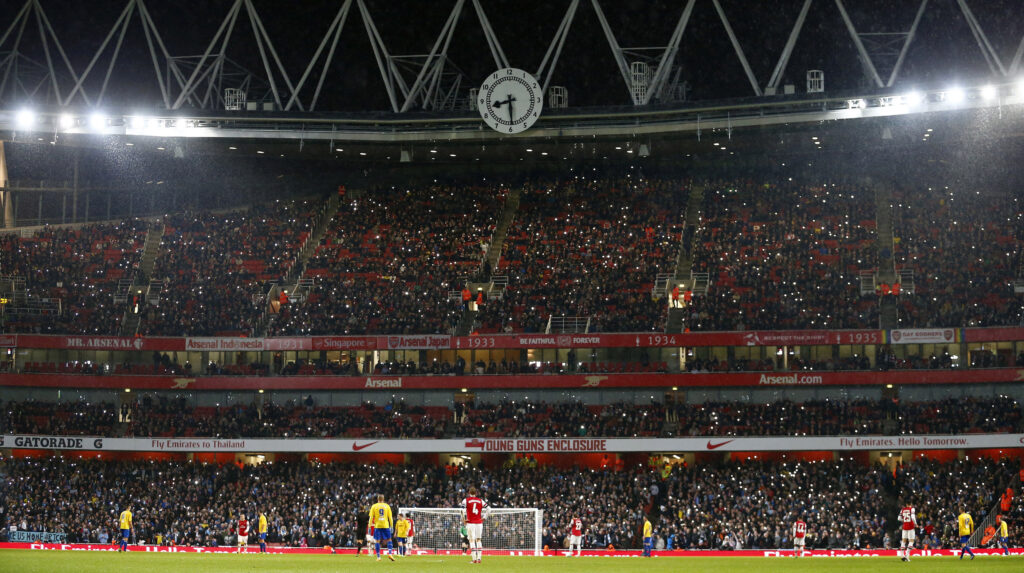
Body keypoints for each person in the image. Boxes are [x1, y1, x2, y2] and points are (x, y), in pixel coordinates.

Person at [462, 486, 488, 564]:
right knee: (478, 539)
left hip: (470, 523)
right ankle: (479, 558)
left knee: (471, 540)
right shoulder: (480, 501)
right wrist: (484, 517)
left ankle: (474, 559)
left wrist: (464, 519)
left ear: (469, 493)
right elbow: (489, 509)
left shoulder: (465, 500)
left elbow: (462, 510)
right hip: (479, 523)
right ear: (476, 493)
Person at [369, 494, 396, 561]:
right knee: (389, 540)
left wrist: (369, 526)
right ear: (383, 499)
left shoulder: (374, 506)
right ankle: (390, 554)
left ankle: (378, 557)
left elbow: (371, 517)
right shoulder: (387, 506)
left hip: (377, 526)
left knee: (377, 541)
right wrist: (392, 526)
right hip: (385, 525)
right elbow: (390, 517)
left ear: (378, 499)